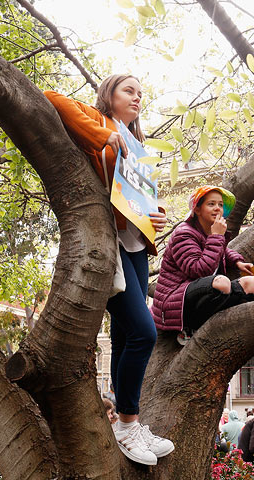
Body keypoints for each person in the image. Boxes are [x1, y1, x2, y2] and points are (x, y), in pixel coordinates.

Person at [44, 75, 173, 466]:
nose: (137, 96)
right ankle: (127, 422)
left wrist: (156, 214)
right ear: (109, 95)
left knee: (123, 337)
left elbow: (140, 194)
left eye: (140, 92)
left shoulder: (142, 146)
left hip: (137, 244)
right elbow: (51, 98)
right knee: (145, 331)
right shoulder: (98, 122)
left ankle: (128, 422)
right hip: (109, 242)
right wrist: (103, 138)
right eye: (128, 90)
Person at [151, 185, 254, 344]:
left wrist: (237, 262)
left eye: (220, 205)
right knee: (222, 283)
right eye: (211, 204)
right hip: (176, 300)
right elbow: (199, 270)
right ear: (197, 209)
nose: (217, 209)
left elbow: (221, 252)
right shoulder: (184, 233)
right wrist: (217, 236)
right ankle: (190, 327)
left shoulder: (208, 232)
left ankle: (226, 324)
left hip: (206, 291)